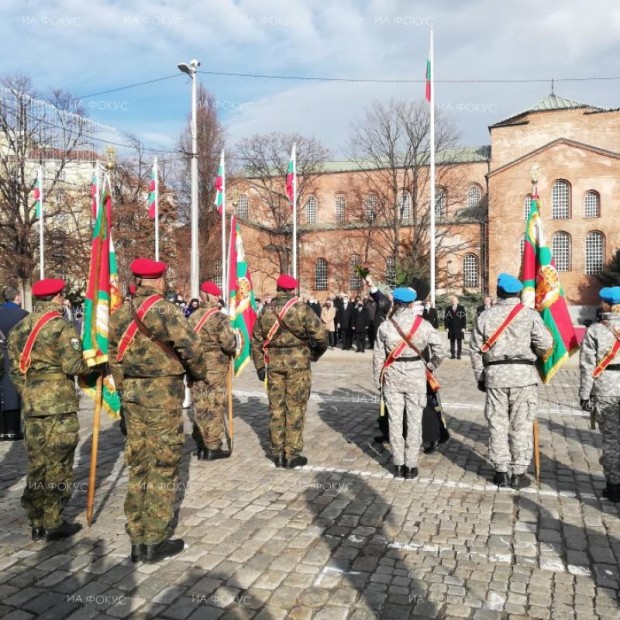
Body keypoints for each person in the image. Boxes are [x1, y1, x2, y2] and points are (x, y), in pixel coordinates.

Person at [109, 259, 206, 563]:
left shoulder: (120, 313)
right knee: (163, 463)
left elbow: (114, 358)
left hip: (132, 395)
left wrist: (124, 389)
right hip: (163, 395)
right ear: (160, 280)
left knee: (138, 461)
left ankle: (137, 535)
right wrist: (198, 373)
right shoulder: (164, 309)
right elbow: (191, 347)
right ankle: (154, 540)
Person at [8, 278, 93, 541]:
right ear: (57, 298)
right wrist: (96, 366)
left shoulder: (20, 327)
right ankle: (54, 521)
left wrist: (31, 393)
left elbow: (15, 369)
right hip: (59, 405)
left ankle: (35, 519)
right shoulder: (60, 327)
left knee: (37, 462)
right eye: (61, 296)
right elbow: (73, 366)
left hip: (33, 404)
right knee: (59, 461)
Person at [470, 273, 553, 489]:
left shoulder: (485, 316)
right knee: (521, 424)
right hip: (523, 377)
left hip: (495, 377)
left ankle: (500, 471)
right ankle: (518, 473)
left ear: (498, 292)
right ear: (518, 293)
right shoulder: (530, 315)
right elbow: (545, 344)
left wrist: (481, 376)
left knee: (497, 424)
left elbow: (475, 350)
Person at [251, 274, 328, 468]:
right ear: (293, 289)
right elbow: (321, 336)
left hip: (274, 365)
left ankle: (276, 452)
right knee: (295, 408)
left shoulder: (266, 310)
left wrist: (260, 366)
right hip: (298, 366)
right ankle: (291, 454)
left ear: (278, 288)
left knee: (276, 408)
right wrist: (315, 354)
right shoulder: (302, 309)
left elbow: (256, 341)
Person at [373, 288, 445, 479]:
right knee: (414, 421)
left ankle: (398, 464)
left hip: (393, 376)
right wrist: (430, 366)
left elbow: (378, 357)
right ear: (412, 304)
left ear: (395, 303)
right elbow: (440, 350)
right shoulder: (423, 325)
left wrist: (378, 381)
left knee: (395, 421)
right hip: (416, 376)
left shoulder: (386, 326)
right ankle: (411, 466)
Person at [579, 286, 620, 501]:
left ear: (604, 304)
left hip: (606, 388)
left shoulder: (595, 330)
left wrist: (585, 395)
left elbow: (587, 366)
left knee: (612, 440)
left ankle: (614, 486)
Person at [189, 281, 236, 461]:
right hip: (215, 368)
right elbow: (228, 344)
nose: (218, 299)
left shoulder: (192, 317)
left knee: (200, 405)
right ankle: (213, 446)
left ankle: (201, 444)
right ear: (209, 295)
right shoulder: (220, 318)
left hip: (196, 366)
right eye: (216, 295)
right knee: (214, 405)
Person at [0, 285, 28, 441]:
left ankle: (2, 431)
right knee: (13, 392)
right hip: (14, 356)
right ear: (17, 297)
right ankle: (13, 430)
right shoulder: (22, 314)